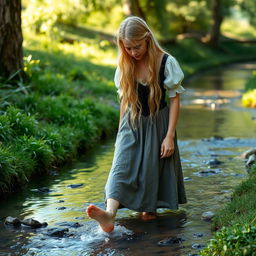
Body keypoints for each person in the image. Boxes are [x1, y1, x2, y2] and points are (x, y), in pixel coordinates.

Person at [86, 16, 187, 233]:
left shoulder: (166, 62)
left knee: (150, 193)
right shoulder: (126, 63)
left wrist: (169, 136)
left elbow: (175, 99)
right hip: (131, 123)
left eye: (137, 46)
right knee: (120, 167)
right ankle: (109, 214)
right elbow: (124, 100)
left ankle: (150, 240)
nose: (133, 52)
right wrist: (121, 132)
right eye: (128, 48)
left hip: (158, 126)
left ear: (147, 39)